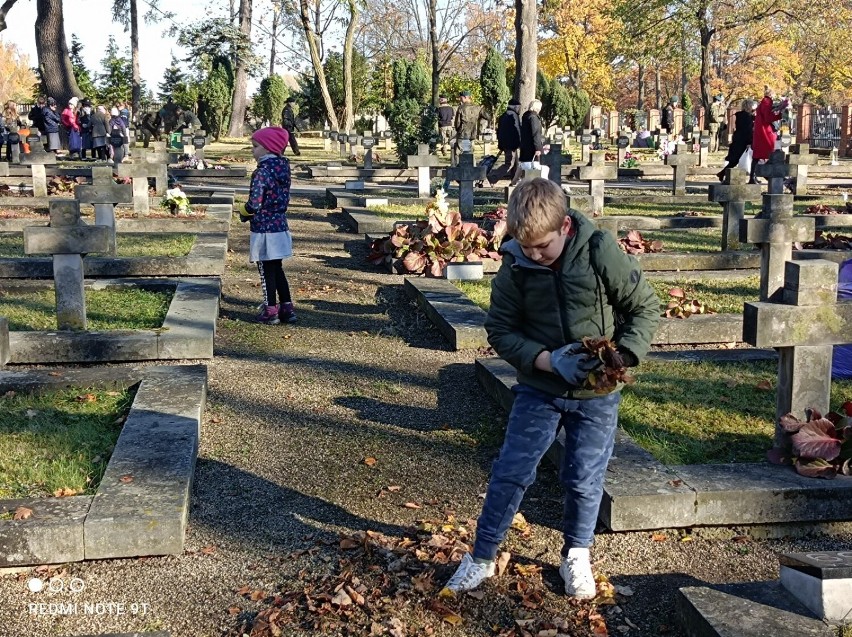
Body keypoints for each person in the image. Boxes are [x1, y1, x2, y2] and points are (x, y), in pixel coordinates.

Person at [442, 178, 659, 599]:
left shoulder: (598, 251)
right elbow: (501, 331)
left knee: (583, 476)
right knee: (512, 471)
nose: (535, 255)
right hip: (539, 389)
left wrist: (623, 357)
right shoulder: (516, 265)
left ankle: (576, 553)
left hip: (596, 393)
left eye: (543, 246)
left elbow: (643, 306)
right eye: (527, 248)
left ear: (564, 228)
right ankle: (482, 556)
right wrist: (548, 360)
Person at [238, 127, 297, 325]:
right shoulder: (283, 168)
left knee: (265, 270)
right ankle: (287, 308)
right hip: (280, 225)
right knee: (277, 268)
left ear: (267, 148)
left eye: (255, 147)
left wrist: (244, 212)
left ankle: (270, 309)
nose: (252, 151)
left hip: (264, 227)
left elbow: (255, 203)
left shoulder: (262, 172)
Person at [751, 86, 787, 184]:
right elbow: (767, 118)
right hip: (765, 131)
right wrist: (779, 114)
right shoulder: (767, 101)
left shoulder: (764, 101)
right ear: (771, 94)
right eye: (774, 94)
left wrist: (777, 109)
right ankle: (774, 177)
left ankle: (752, 177)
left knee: (757, 156)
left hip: (761, 130)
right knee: (771, 153)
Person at [716, 99, 755, 182]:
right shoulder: (746, 117)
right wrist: (749, 141)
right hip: (743, 140)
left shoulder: (742, 115)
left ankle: (722, 173)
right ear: (748, 106)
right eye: (752, 106)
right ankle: (723, 174)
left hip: (738, 139)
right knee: (735, 159)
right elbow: (747, 130)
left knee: (734, 160)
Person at [487, 98, 521, 185]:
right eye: (518, 107)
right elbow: (517, 130)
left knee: (515, 164)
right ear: (515, 107)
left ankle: (514, 181)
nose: (519, 109)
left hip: (505, 143)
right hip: (511, 144)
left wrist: (501, 144)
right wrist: (519, 142)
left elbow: (499, 131)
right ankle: (493, 177)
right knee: (509, 164)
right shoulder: (513, 116)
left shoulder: (503, 115)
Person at [453, 90, 482, 165]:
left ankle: (458, 170)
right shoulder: (477, 108)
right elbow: (485, 118)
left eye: (461, 98)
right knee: (470, 152)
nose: (460, 99)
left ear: (465, 97)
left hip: (462, 134)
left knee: (459, 153)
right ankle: (472, 168)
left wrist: (458, 130)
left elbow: (457, 123)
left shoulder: (461, 108)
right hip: (472, 134)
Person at [518, 99, 544, 175]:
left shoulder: (526, 116)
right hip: (532, 148)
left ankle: (514, 181)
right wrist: (538, 148)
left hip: (525, 147)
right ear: (537, 108)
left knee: (526, 167)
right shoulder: (533, 118)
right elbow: (535, 133)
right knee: (534, 168)